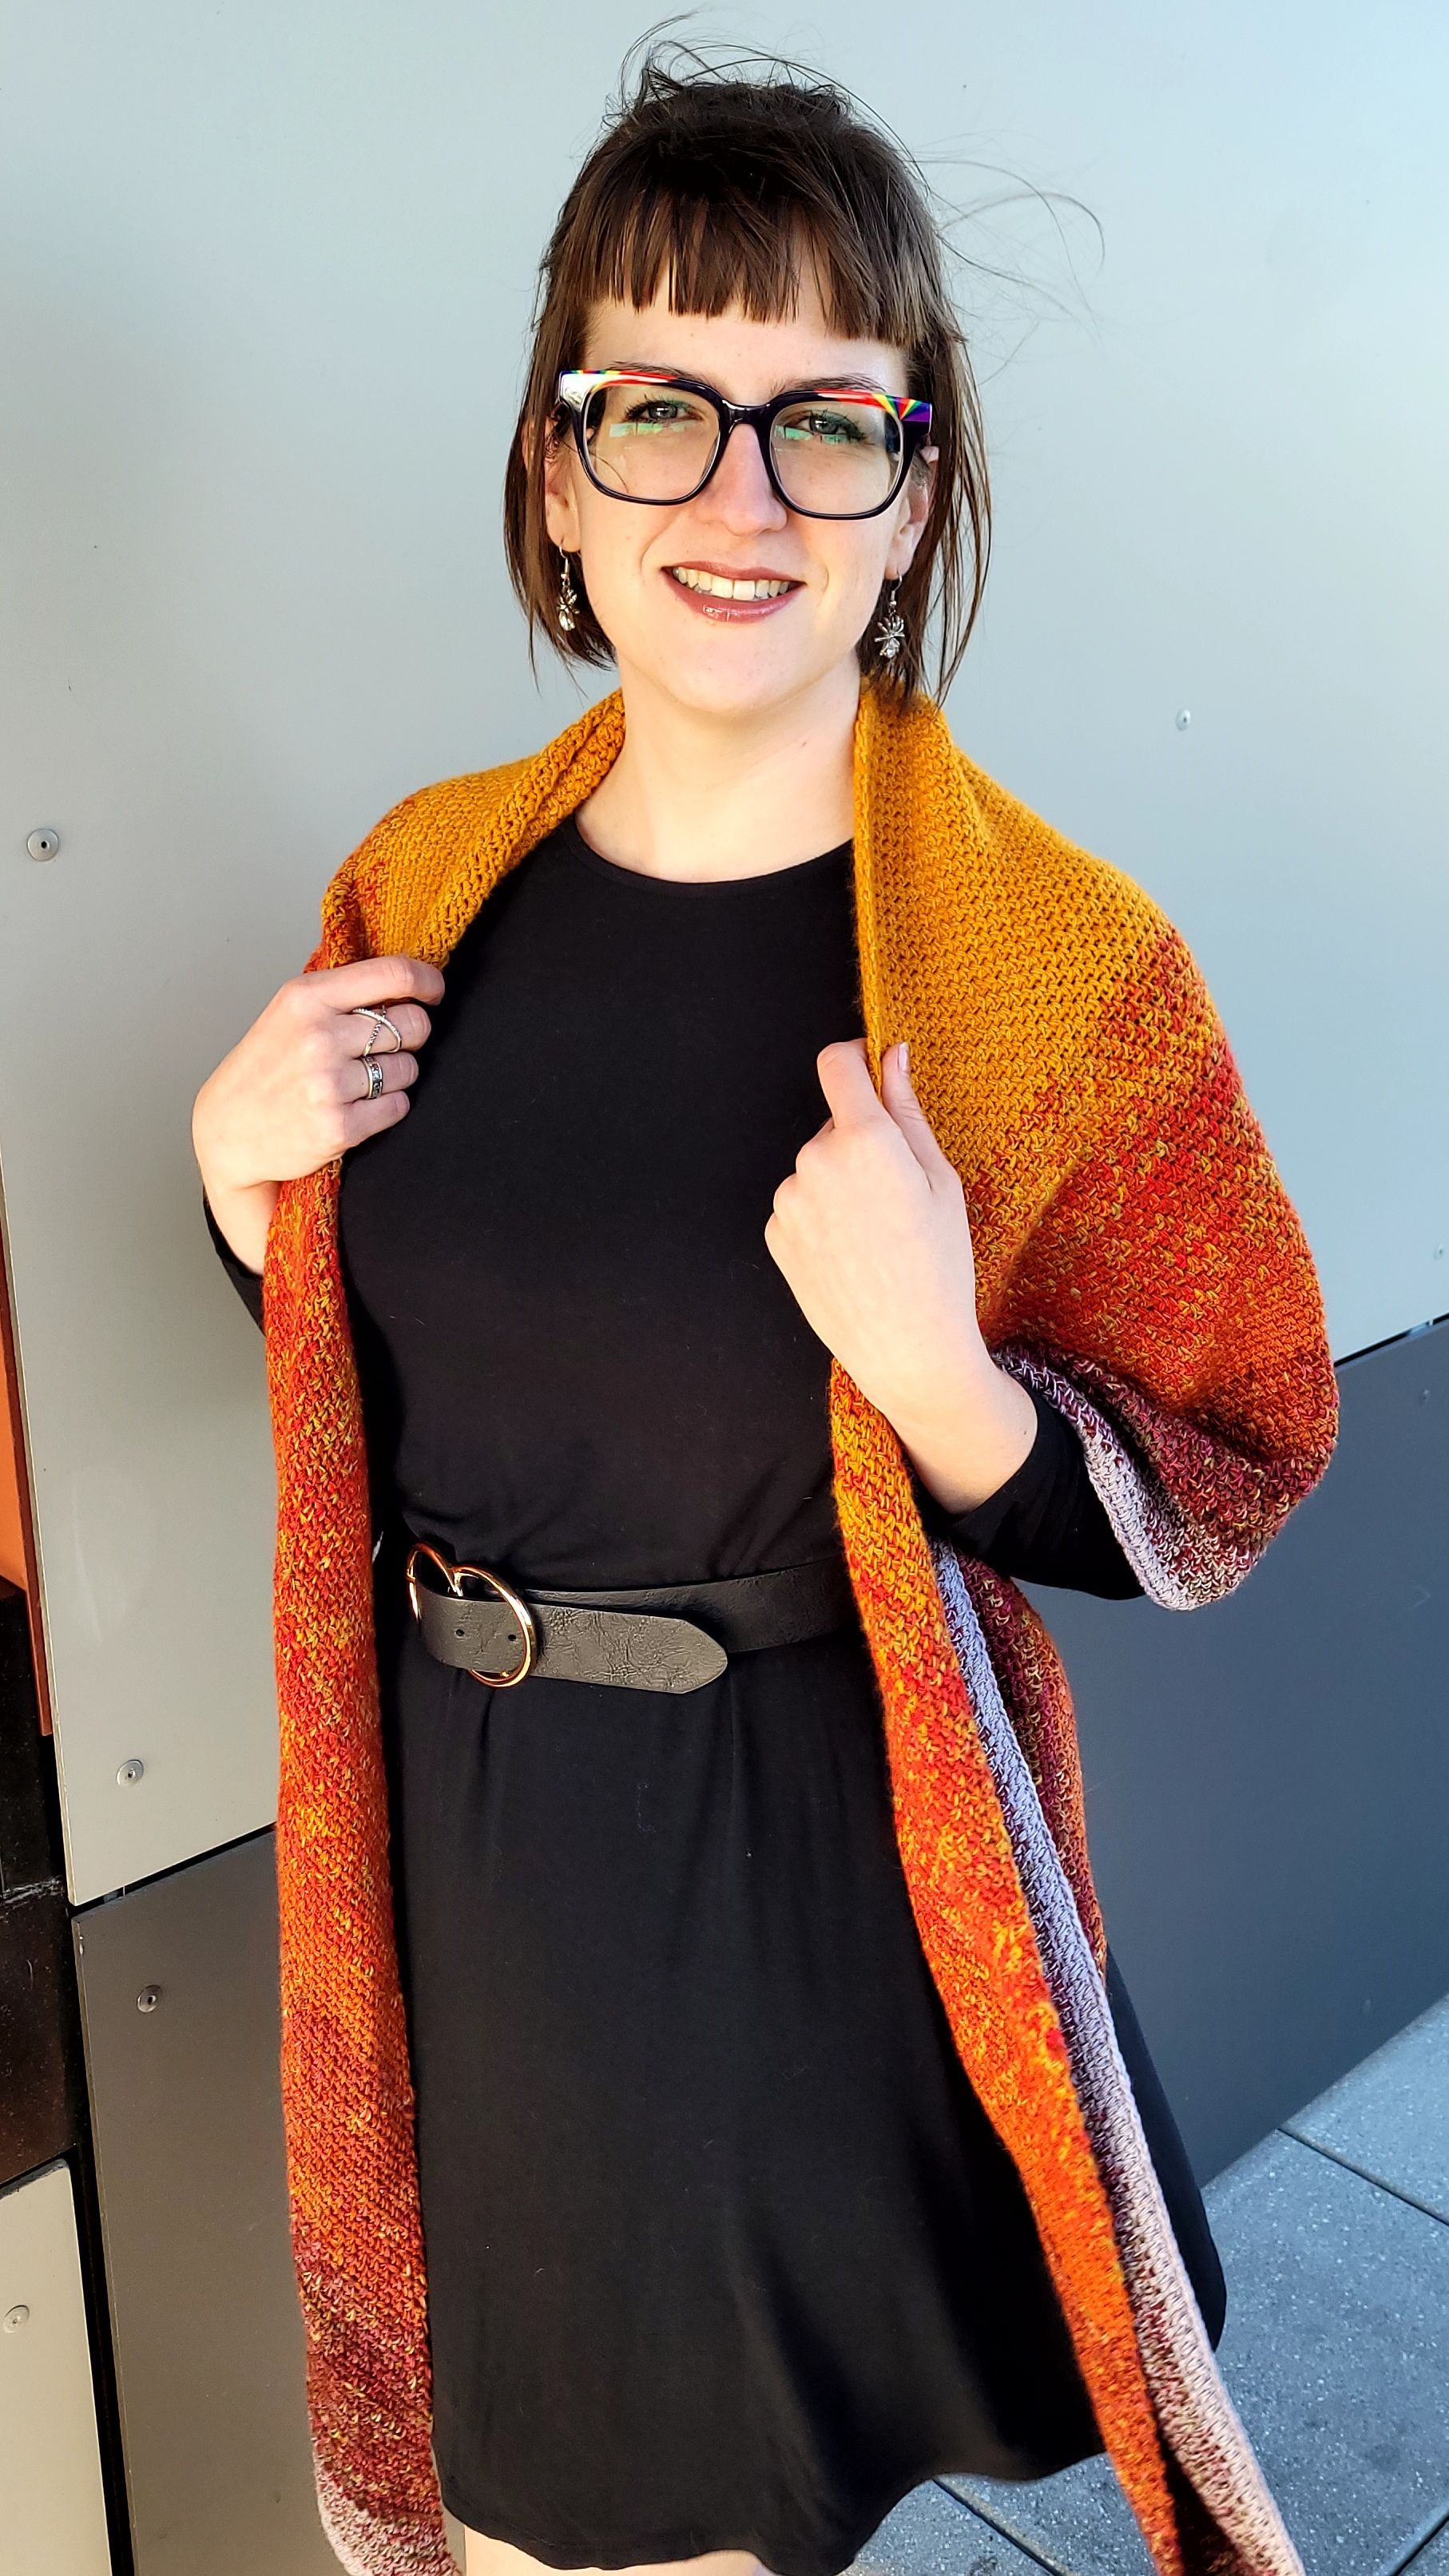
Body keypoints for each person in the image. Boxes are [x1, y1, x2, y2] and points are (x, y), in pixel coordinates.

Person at [191, 51, 1328, 2576]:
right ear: (551, 466)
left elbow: (1225, 1479)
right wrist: (231, 1189)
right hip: (468, 1891)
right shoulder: (424, 883)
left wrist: (940, 1380)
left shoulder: (1046, 966)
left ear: (915, 484)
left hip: (809, 1893)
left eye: (826, 420)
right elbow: (387, 1341)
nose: (735, 493)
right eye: (660, 408)